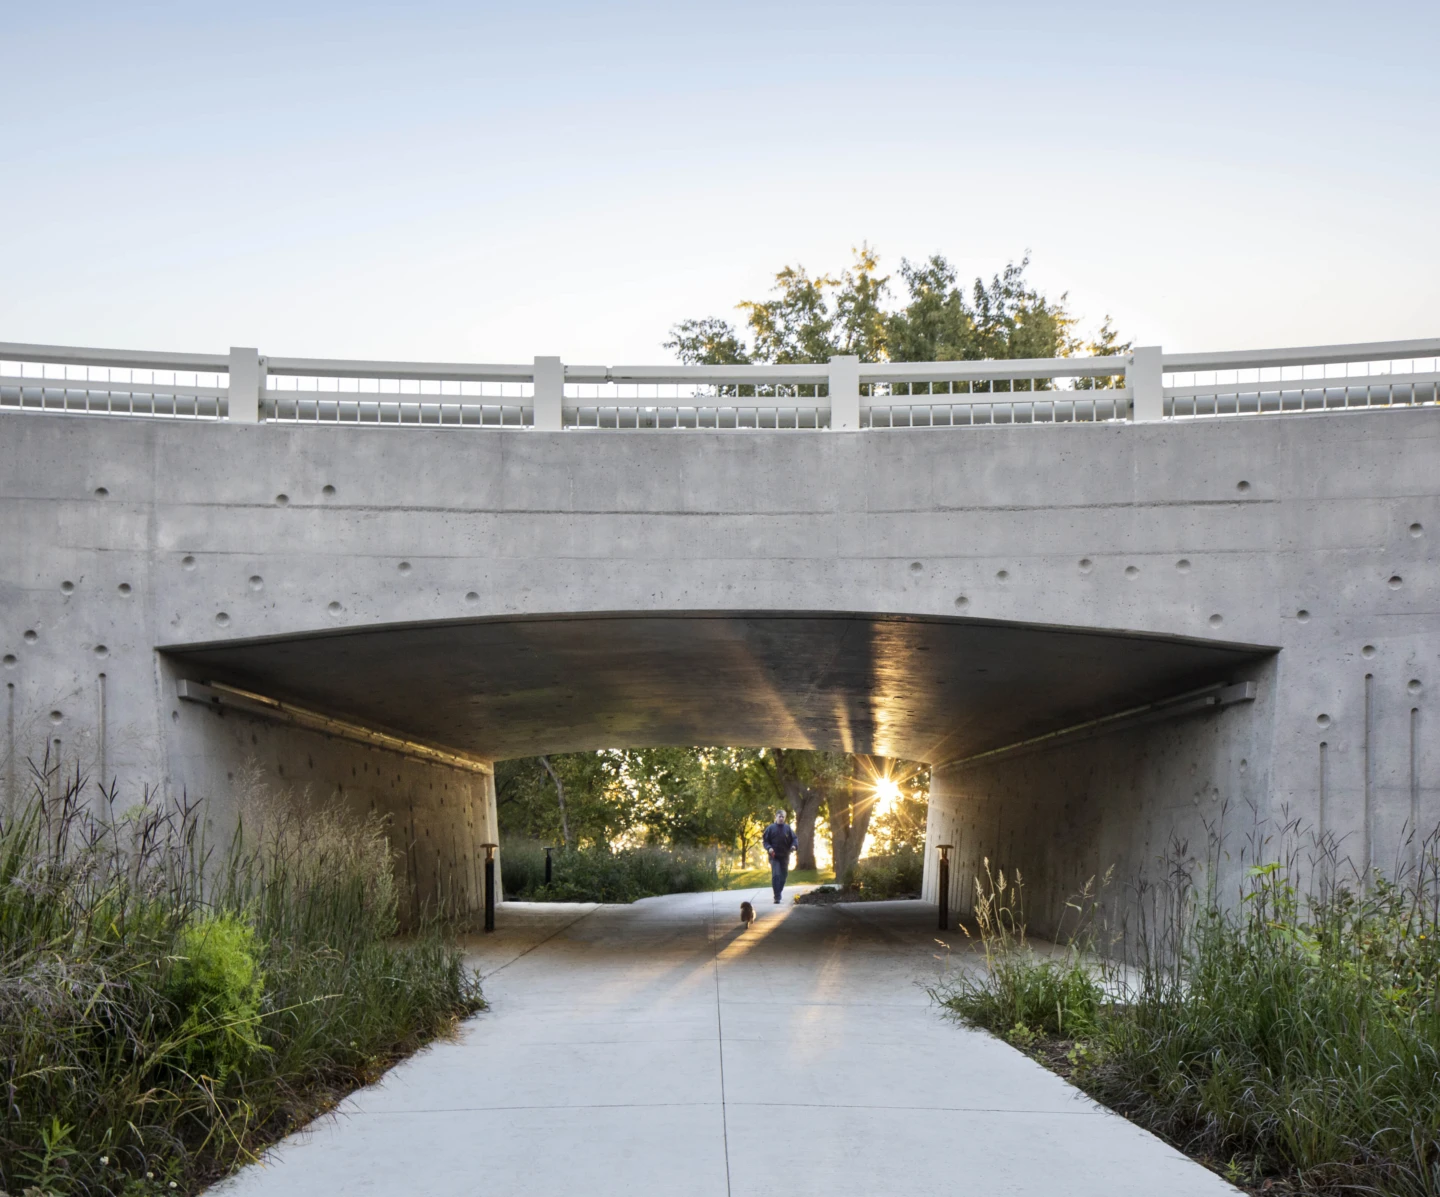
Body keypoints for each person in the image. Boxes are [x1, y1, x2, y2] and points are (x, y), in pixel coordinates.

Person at [762, 810, 798, 904]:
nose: (781, 818)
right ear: (776, 817)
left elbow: (794, 839)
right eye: (779, 816)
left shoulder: (787, 828)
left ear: (784, 818)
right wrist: (769, 848)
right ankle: (777, 897)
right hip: (774, 856)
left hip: (785, 856)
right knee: (776, 875)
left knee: (784, 875)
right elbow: (765, 841)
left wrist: (793, 846)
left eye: (783, 817)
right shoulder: (770, 828)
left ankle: (778, 892)